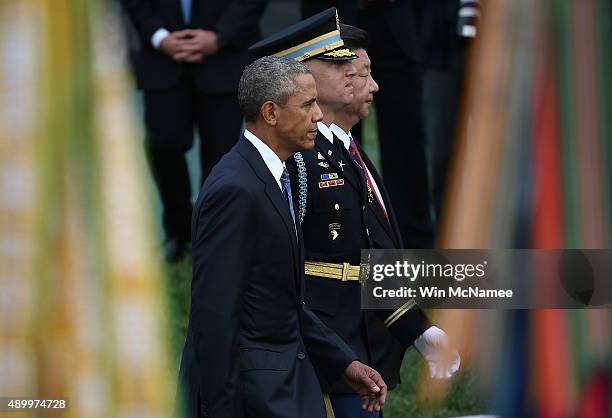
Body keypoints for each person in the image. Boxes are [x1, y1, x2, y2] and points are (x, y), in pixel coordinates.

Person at [251, 16, 460, 418]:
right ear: (302, 76)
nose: (359, 80)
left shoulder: (344, 151)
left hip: (357, 342)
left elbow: (370, 249)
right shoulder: (295, 157)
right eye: (343, 67)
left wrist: (418, 330)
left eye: (360, 71)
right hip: (323, 349)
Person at [177, 56, 388, 418]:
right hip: (254, 396)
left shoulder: (274, 176)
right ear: (271, 112)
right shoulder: (235, 190)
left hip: (284, 385)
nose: (318, 116)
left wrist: (343, 363)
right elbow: (214, 319)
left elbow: (282, 299)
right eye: (308, 105)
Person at [120, 0, 267, 262]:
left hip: (225, 59)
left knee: (221, 156)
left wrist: (221, 36)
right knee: (164, 144)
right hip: (161, 61)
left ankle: (212, 234)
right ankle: (178, 230)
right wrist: (159, 36)